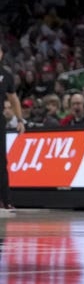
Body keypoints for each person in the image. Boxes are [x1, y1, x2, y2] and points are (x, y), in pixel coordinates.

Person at [0, 45, 25, 213]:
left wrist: (20, 119)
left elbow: (14, 99)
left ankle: (5, 200)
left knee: (2, 162)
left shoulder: (6, 75)